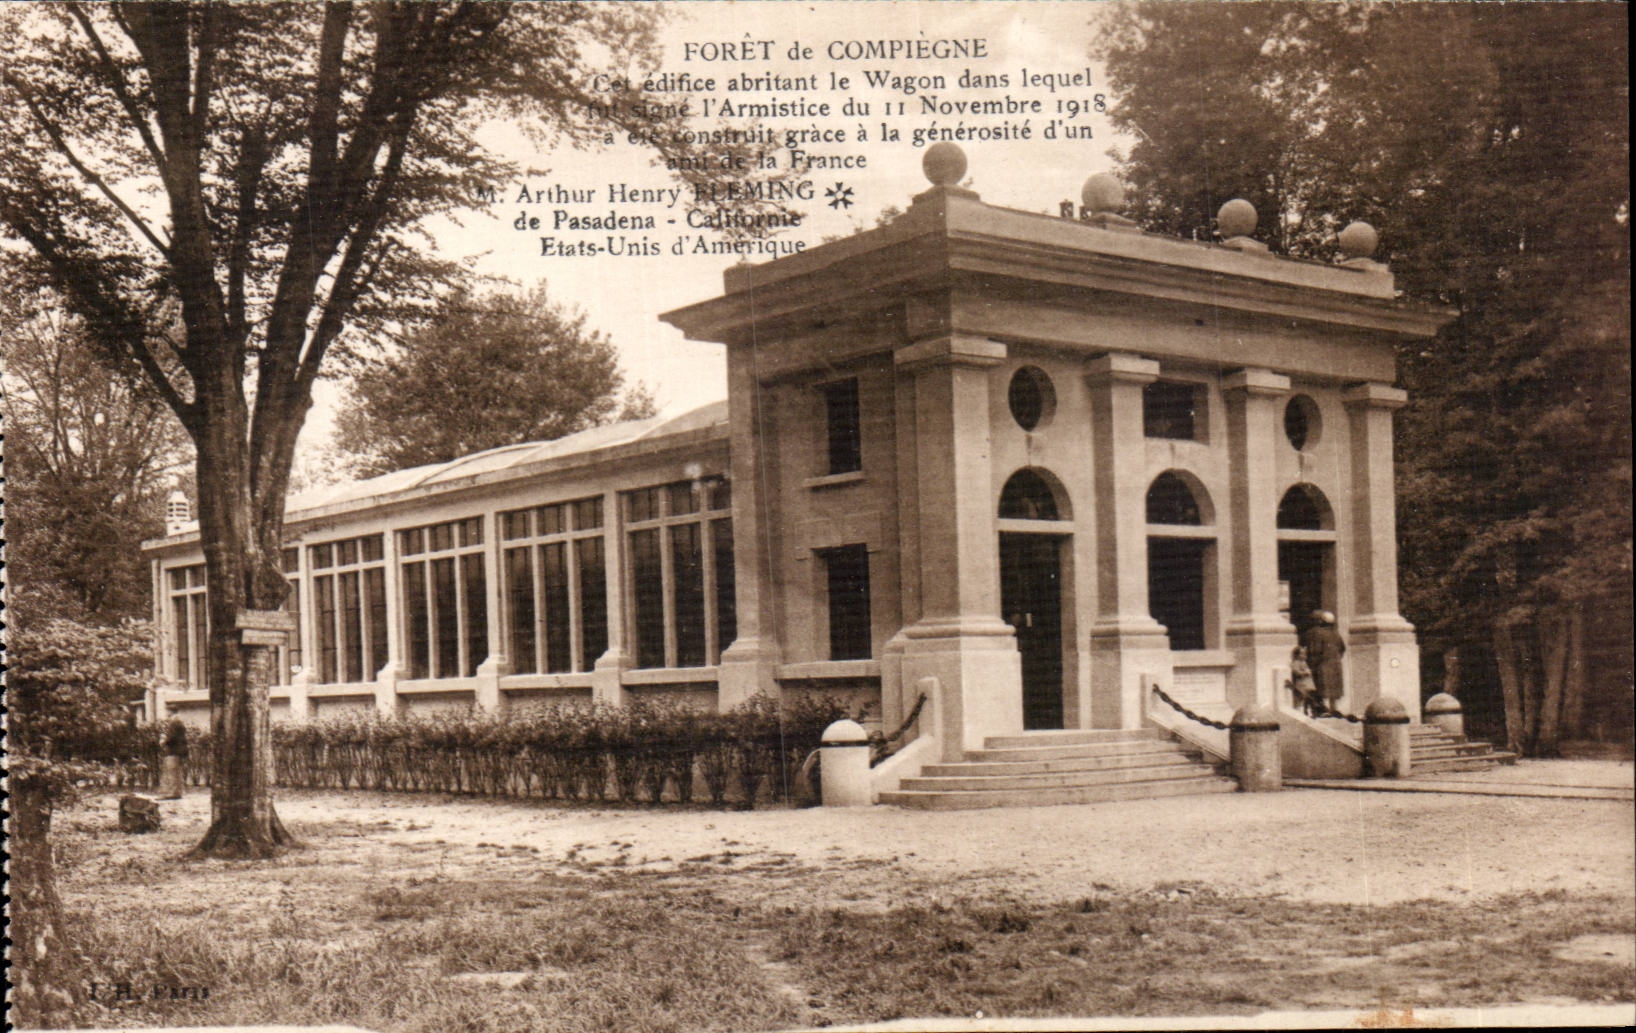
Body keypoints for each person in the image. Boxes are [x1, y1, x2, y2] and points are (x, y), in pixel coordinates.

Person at [1300, 610, 1346, 709]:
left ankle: (1325, 709)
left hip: (1323, 665)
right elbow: (1342, 649)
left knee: (1323, 689)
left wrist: (1311, 664)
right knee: (1334, 691)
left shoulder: (1317, 633)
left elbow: (1314, 651)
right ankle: (1334, 709)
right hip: (1336, 664)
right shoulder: (1336, 634)